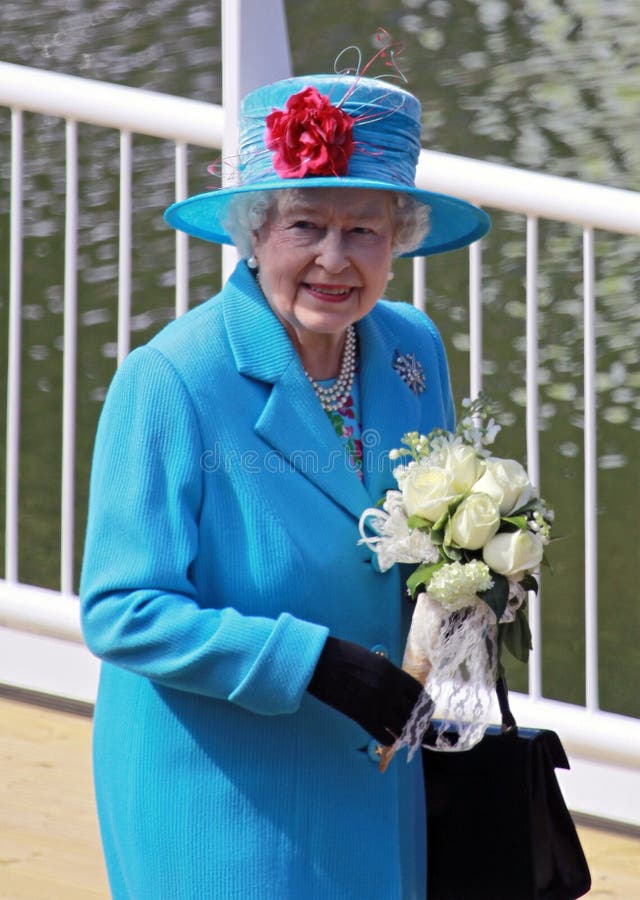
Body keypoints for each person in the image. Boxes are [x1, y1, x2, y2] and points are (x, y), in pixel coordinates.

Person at [80, 63, 490, 899]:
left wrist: (474, 594)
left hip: (376, 777)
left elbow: (436, 536)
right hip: (223, 795)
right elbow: (122, 611)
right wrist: (313, 664)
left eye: (365, 231)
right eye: (306, 224)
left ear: (399, 238)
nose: (335, 261)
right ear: (255, 232)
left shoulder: (411, 351)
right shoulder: (172, 380)